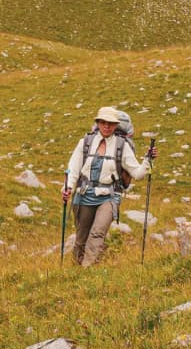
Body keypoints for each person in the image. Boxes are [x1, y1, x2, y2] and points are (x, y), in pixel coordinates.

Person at [63, 107, 157, 266]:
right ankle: (74, 270)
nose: (107, 126)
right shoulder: (85, 142)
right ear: (98, 123)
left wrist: (148, 160)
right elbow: (73, 168)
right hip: (84, 194)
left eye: (111, 123)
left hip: (109, 197)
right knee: (81, 238)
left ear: (116, 125)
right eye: (103, 122)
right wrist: (68, 188)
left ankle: (87, 271)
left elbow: (138, 173)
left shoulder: (122, 145)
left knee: (97, 233)